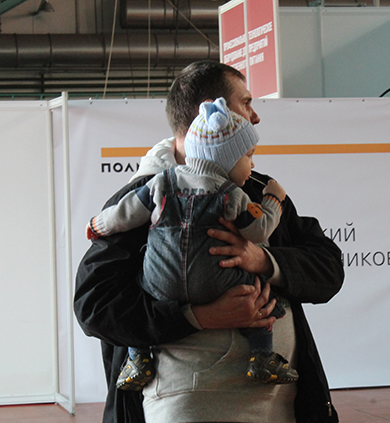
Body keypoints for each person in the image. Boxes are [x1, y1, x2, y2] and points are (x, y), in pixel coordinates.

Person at [74, 61, 344, 423]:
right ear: (211, 112)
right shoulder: (144, 200)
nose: (256, 116)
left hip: (281, 406)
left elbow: (328, 268)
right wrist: (197, 317)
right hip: (183, 408)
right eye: (246, 103)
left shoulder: (259, 193)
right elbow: (95, 305)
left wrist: (263, 261)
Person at [85, 97, 297, 390]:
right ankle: (262, 355)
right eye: (248, 156)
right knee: (257, 290)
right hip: (216, 282)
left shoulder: (162, 182)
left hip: (161, 284)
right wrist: (273, 201)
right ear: (227, 158)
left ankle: (138, 358)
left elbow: (125, 213)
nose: (252, 164)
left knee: (138, 283)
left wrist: (97, 225)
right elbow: (259, 231)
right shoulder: (233, 195)